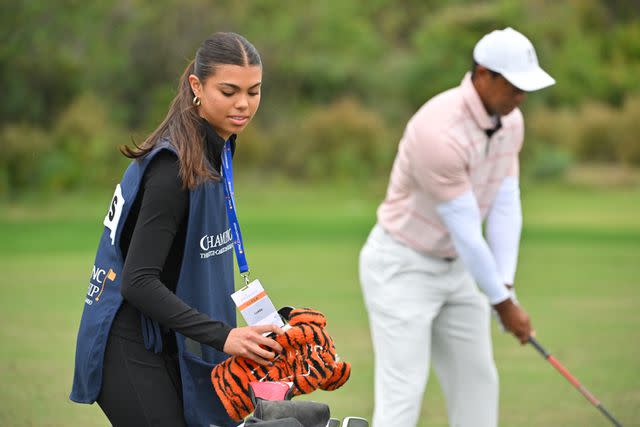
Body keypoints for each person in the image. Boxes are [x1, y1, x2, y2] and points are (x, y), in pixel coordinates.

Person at [70, 32, 285, 427]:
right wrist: (225, 337)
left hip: (169, 335)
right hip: (128, 339)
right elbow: (138, 282)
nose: (244, 104)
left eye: (254, 92)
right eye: (229, 90)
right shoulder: (172, 168)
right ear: (196, 87)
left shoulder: (217, 146)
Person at [359, 27, 555, 427]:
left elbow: (505, 203)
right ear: (484, 74)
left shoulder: (511, 121)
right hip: (402, 266)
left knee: (478, 383)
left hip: (459, 269)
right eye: (515, 86)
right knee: (404, 391)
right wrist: (502, 304)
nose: (521, 97)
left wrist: (506, 284)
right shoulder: (438, 129)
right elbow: (467, 230)